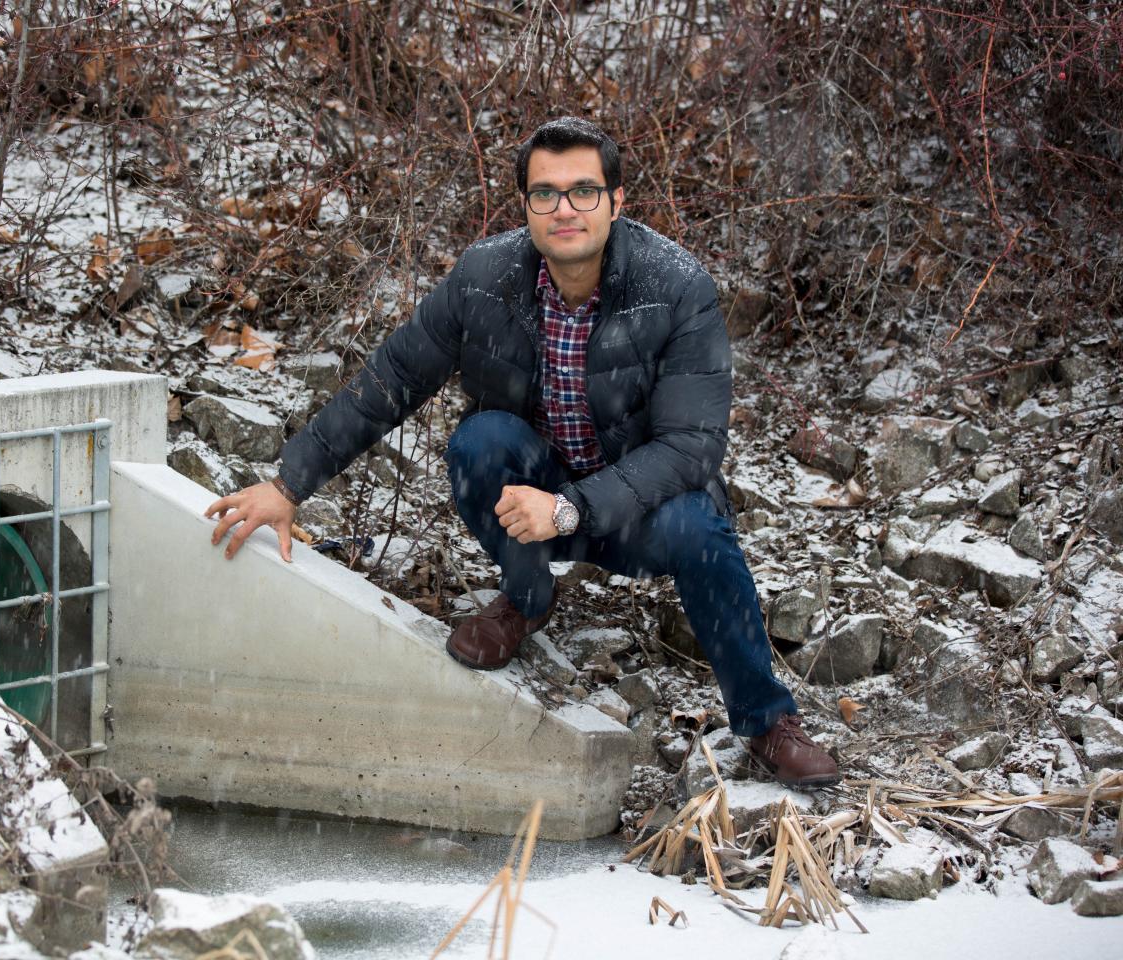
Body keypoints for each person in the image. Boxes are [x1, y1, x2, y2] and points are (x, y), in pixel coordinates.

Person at [204, 117, 839, 788]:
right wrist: (289, 485)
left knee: (700, 526)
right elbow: (393, 378)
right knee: (481, 442)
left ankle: (767, 720)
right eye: (546, 193)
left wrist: (570, 509)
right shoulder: (485, 277)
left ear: (617, 202)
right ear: (526, 207)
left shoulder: (676, 287)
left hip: (640, 513)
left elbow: (691, 447)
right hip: (530, 500)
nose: (564, 209)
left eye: (584, 191)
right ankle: (526, 600)